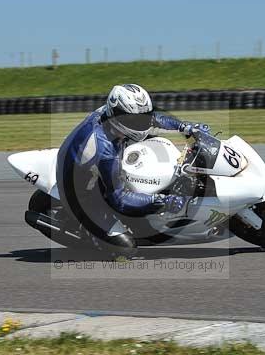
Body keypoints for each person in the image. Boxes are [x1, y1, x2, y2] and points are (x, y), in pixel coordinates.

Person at [56, 83, 209, 252]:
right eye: (135, 120)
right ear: (117, 115)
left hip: (91, 165)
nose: (141, 123)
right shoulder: (104, 148)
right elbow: (119, 199)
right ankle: (87, 230)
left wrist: (185, 127)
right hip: (81, 193)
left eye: (142, 116)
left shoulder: (113, 115)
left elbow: (153, 118)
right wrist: (164, 201)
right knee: (126, 248)